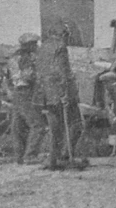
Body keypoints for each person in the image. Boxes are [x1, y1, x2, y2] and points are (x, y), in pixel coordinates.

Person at [33, 26, 84, 170]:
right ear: (63, 35)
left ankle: (53, 160)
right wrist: (64, 94)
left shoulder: (43, 47)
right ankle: (66, 156)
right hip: (58, 92)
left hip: (45, 94)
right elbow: (62, 72)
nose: (67, 39)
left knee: (55, 128)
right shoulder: (61, 47)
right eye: (67, 36)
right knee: (77, 124)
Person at [5, 33, 47, 164]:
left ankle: (20, 157)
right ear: (28, 45)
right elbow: (29, 76)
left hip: (16, 93)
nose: (36, 46)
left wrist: (10, 91)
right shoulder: (26, 58)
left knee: (18, 126)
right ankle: (30, 155)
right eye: (34, 44)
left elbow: (7, 78)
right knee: (38, 125)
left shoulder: (12, 57)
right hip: (26, 91)